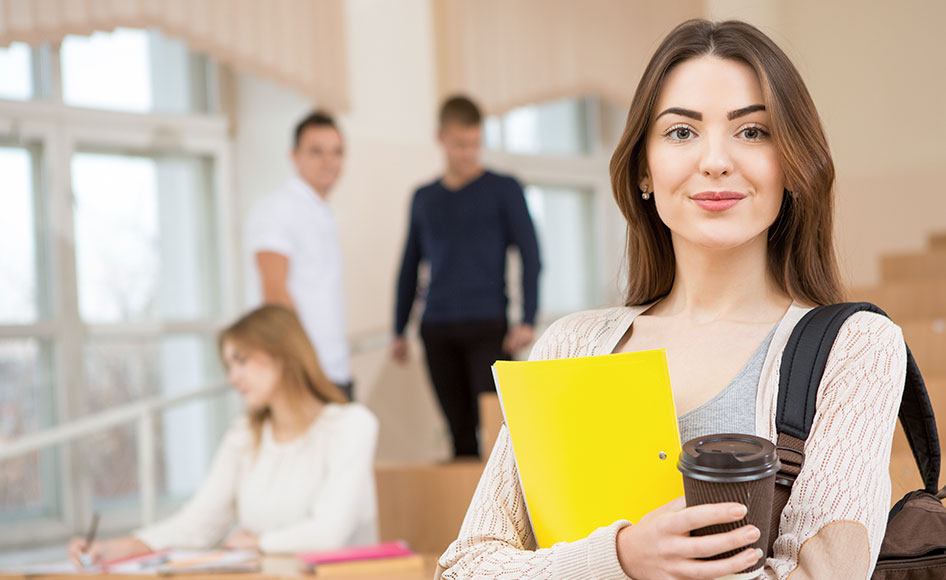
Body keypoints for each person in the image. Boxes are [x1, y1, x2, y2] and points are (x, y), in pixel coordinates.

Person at [436, 19, 905, 579]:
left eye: (752, 132)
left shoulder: (855, 347)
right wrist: (622, 558)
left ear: (794, 165)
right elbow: (465, 567)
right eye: (682, 132)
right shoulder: (570, 345)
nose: (715, 160)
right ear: (643, 169)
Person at [68, 305, 379, 566]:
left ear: (282, 353)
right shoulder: (244, 435)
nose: (233, 378)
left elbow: (329, 533)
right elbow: (199, 523)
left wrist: (257, 542)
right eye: (229, 365)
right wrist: (114, 550)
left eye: (241, 361)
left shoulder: (351, 426)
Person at [391, 95, 542, 459]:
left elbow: (531, 255)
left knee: (501, 430)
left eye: (474, 143)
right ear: (440, 137)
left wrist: (527, 318)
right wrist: (399, 329)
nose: (468, 152)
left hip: (488, 326)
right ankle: (472, 516)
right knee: (459, 436)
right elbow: (410, 265)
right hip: (437, 329)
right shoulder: (424, 198)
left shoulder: (503, 189)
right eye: (460, 144)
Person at [245, 111, 354, 399]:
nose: (329, 162)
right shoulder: (278, 208)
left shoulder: (321, 212)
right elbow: (275, 294)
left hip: (332, 368)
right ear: (294, 156)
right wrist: (304, 369)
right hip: (303, 374)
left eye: (337, 152)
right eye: (316, 152)